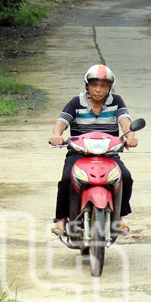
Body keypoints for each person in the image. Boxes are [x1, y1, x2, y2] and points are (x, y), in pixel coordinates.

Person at [50, 64, 137, 235]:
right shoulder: (76, 102)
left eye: (103, 86)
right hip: (79, 152)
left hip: (108, 153)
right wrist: (56, 135)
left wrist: (130, 137)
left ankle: (119, 217)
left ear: (109, 88)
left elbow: (125, 121)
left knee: (125, 177)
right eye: (94, 85)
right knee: (67, 178)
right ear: (87, 85)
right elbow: (61, 122)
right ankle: (61, 219)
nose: (98, 89)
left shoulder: (116, 101)